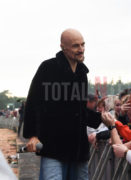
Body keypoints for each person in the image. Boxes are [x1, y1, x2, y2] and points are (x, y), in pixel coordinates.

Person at [23, 29, 102, 180]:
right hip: (53, 146)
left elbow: (78, 109)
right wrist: (32, 135)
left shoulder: (82, 73)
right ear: (63, 47)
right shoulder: (48, 68)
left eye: (83, 44)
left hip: (78, 148)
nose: (81, 49)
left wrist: (101, 118)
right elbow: (34, 102)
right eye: (75, 46)